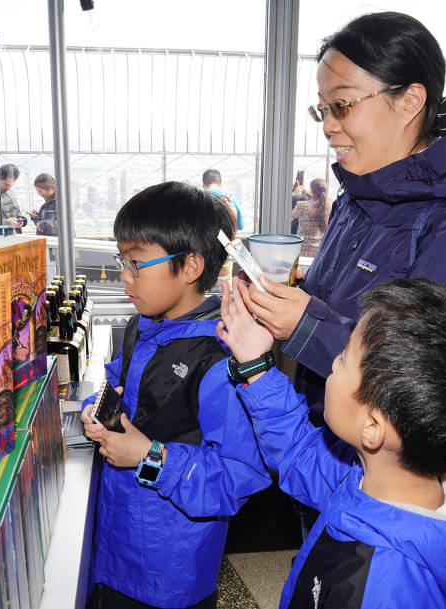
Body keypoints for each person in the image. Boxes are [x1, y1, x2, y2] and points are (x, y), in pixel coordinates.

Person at [240, 12, 446, 427]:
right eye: (324, 108)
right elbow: (337, 308)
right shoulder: (354, 203)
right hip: (322, 442)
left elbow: (443, 392)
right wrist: (279, 301)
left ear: (410, 101)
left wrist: (307, 327)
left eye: (343, 105)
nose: (329, 126)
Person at [215, 278, 446, 608]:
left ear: (374, 427)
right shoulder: (379, 478)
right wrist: (255, 365)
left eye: (344, 359)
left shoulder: (387, 591)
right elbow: (301, 455)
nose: (334, 363)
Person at [80, 182, 270, 608]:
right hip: (118, 542)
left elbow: (239, 476)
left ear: (189, 267)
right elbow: (123, 381)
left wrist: (148, 457)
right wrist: (100, 406)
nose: (124, 277)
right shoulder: (143, 324)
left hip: (170, 567)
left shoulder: (218, 357)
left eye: (136, 264)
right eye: (121, 261)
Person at [291, 177, 329, 256]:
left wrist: (297, 195)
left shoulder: (302, 205)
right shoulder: (329, 206)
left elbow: (291, 215)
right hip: (320, 250)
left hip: (303, 250)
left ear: (311, 190)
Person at [0, 164, 27, 231]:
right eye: (6, 184)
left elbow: (17, 212)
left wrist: (22, 220)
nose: (8, 188)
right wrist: (5, 222)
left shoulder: (10, 192)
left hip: (14, 233)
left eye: (11, 185)